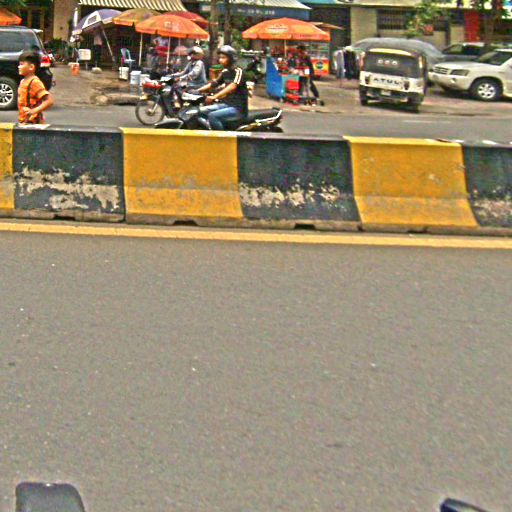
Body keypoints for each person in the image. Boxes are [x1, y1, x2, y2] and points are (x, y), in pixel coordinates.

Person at [196, 45, 248, 131]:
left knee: (213, 116)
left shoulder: (238, 71)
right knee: (200, 111)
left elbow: (233, 86)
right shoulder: (225, 72)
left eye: (223, 58)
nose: (220, 60)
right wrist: (196, 91)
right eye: (220, 58)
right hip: (226, 104)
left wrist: (214, 97)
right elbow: (214, 84)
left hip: (238, 108)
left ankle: (220, 137)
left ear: (231, 58)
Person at [18, 51, 53, 125]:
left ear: (31, 67)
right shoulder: (23, 81)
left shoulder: (34, 82)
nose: (19, 67)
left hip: (34, 123)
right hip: (24, 121)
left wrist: (33, 111)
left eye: (21, 64)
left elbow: (49, 101)